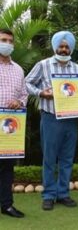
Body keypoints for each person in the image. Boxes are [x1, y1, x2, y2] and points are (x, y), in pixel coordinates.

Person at [25, 31, 78, 211]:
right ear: (55, 46)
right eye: (61, 46)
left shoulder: (76, 68)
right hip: (50, 118)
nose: (64, 49)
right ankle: (49, 194)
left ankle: (63, 193)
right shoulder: (43, 65)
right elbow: (27, 83)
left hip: (71, 118)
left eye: (67, 47)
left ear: (71, 48)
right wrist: (41, 93)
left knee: (67, 158)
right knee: (50, 158)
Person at [0, 29, 27, 218]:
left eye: (10, 41)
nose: (7, 43)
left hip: (10, 127)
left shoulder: (18, 69)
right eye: (3, 40)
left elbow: (24, 94)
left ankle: (7, 205)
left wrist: (19, 102)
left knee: (7, 167)